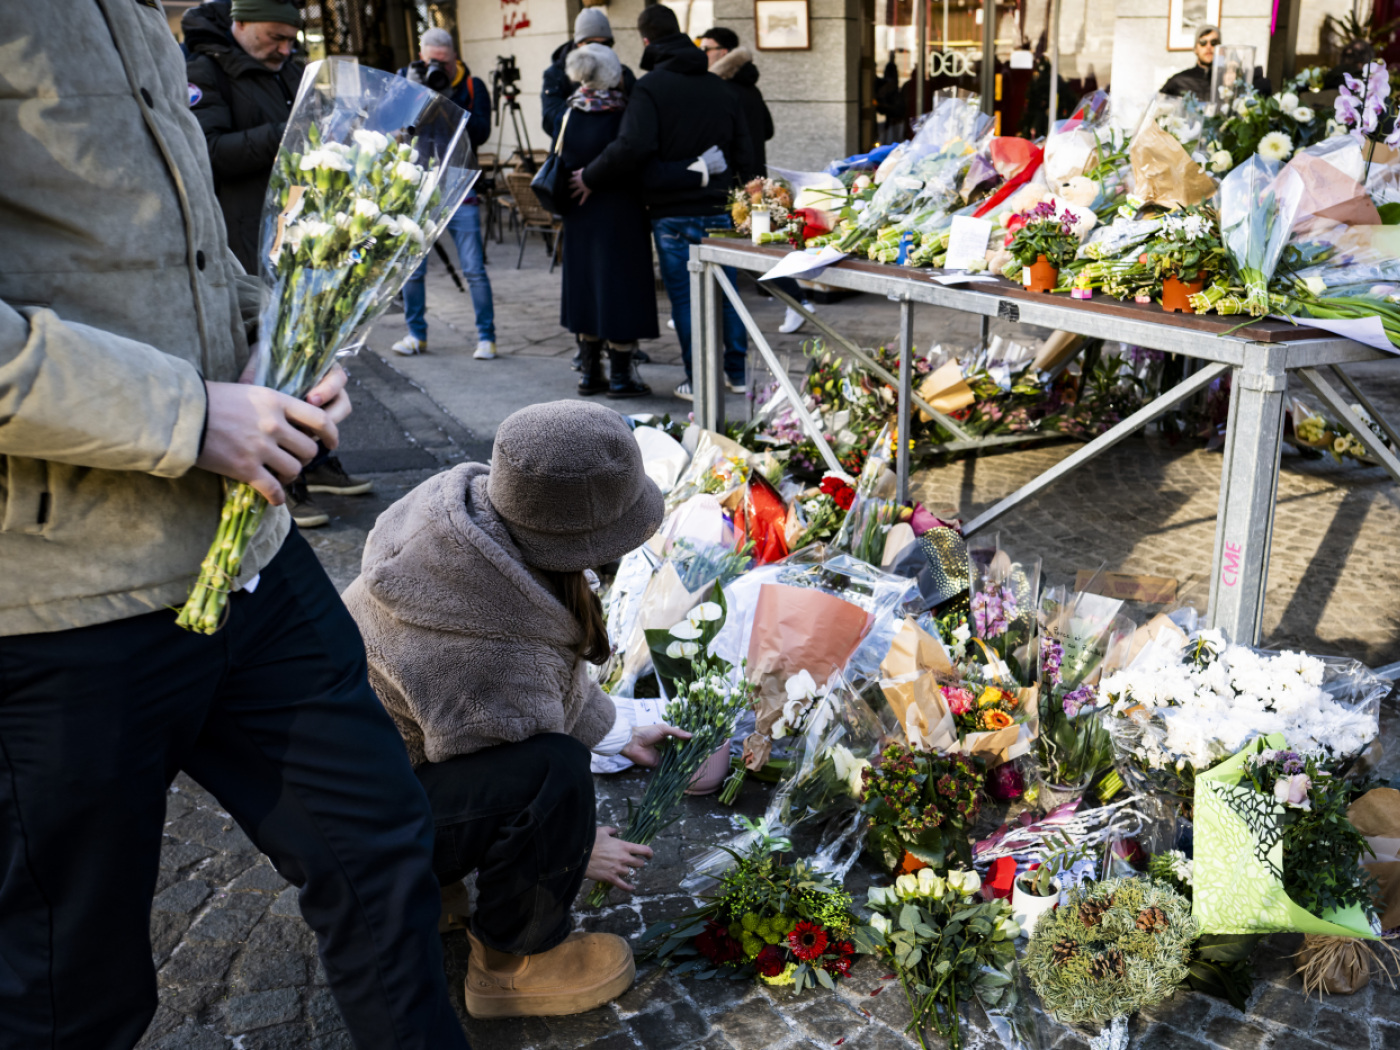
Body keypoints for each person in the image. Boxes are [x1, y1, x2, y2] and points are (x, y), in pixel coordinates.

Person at [0, 6, 468, 1050]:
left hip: (244, 553)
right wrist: (183, 414)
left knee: (379, 846)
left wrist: (279, 335)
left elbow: (164, 248)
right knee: (68, 989)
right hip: (56, 588)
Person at [342, 400, 688, 1018]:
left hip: (363, 784)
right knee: (553, 773)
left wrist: (619, 730)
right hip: (357, 837)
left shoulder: (467, 537)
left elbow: (545, 678)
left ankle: (437, 891)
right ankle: (513, 962)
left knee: (542, 761)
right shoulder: (487, 654)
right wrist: (578, 850)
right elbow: (514, 762)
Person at [186, 0, 374, 529]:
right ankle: (287, 483)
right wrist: (291, 135)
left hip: (303, 237)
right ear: (240, 24)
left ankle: (318, 458)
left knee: (313, 356)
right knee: (269, 360)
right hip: (244, 238)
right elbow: (206, 150)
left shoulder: (290, 69)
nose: (285, 49)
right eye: (274, 37)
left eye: (292, 40)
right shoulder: (204, 72)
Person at [570, 4, 755, 402]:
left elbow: (633, 146)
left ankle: (699, 379)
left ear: (646, 41)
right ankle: (737, 374)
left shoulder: (651, 87)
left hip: (673, 215)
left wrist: (589, 176)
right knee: (729, 295)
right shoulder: (720, 87)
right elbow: (746, 150)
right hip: (721, 208)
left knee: (687, 302)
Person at [556, 46, 659, 398]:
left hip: (579, 213)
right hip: (620, 213)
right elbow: (631, 157)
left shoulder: (570, 112)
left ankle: (589, 374)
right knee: (620, 291)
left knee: (585, 289)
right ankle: (621, 377)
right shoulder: (624, 113)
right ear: (613, 73)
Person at [699, 26, 815, 335]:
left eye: (706, 46)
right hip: (753, 179)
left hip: (737, 182)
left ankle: (798, 302)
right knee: (755, 247)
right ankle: (797, 303)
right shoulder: (750, 87)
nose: (702, 52)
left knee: (751, 249)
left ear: (723, 52)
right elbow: (767, 129)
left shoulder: (722, 89)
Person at [391, 28, 498, 361]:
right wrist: (410, 93)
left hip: (459, 186)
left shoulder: (471, 85)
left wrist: (449, 100)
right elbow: (392, 128)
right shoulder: (406, 78)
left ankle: (487, 338)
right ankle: (416, 335)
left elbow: (481, 133)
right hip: (417, 187)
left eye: (444, 63)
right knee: (413, 268)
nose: (438, 68)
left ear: (454, 57)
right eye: (431, 62)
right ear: (421, 58)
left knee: (474, 268)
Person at [541, 8, 638, 141]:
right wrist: (584, 102)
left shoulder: (620, 72)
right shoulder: (556, 74)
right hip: (576, 150)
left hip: (614, 151)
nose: (599, 49)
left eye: (605, 44)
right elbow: (550, 121)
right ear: (578, 43)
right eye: (592, 43)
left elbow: (639, 117)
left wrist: (622, 85)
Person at [1160, 25, 1271, 99]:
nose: (1208, 47)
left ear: (1221, 49)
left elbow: (1264, 88)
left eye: (1214, 42)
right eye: (1203, 42)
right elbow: (1156, 106)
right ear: (1195, 49)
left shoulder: (1231, 76)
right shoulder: (1180, 80)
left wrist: (1238, 74)